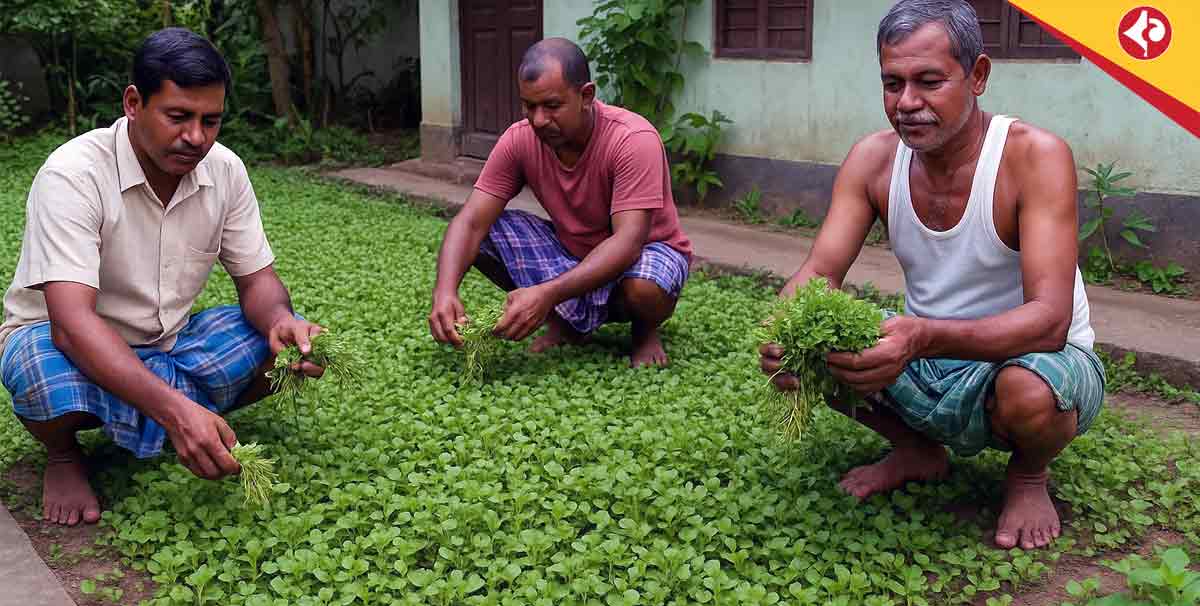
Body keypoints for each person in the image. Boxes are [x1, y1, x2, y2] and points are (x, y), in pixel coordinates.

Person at [759, 0, 1105, 550]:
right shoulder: (872, 160)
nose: (907, 103)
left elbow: (1049, 323)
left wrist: (920, 336)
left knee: (1029, 391)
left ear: (978, 76)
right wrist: (782, 334)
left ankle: (1028, 474)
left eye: (929, 81)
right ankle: (917, 451)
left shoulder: (1033, 157)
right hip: (928, 354)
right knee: (815, 340)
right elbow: (820, 271)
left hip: (1034, 358)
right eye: (892, 83)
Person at [0, 28, 325, 527]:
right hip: (70, 346)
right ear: (134, 103)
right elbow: (69, 325)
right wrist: (177, 413)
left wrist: (281, 319)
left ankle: (170, 413)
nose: (196, 136)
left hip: (169, 345)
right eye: (179, 117)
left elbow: (258, 281)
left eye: (210, 120)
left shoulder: (226, 171)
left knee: (277, 341)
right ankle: (67, 454)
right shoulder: (73, 174)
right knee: (35, 365)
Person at [428, 38, 693, 368]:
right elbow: (470, 222)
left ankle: (643, 331)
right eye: (528, 106)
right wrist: (445, 291)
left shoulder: (632, 139)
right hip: (574, 252)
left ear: (586, 96)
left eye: (551, 106)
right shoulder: (519, 139)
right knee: (484, 233)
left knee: (644, 288)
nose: (538, 120)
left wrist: (546, 294)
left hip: (643, 254)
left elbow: (628, 242)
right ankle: (568, 324)